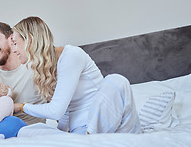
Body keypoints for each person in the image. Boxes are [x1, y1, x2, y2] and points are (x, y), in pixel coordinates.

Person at [12, 16, 142, 134]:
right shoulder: (45, 69)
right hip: (79, 131)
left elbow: (56, 111)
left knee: (117, 81)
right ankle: (86, 141)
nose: (14, 49)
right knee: (29, 132)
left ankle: (90, 138)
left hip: (107, 125)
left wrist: (22, 107)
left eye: (15, 43)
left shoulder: (71, 55)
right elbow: (65, 113)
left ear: (30, 40)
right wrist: (61, 134)